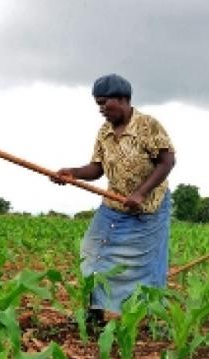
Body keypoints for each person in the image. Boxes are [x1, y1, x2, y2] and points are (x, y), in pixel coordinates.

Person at [53, 73, 176, 319]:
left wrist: (141, 193)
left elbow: (167, 161)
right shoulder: (103, 132)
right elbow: (97, 168)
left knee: (144, 265)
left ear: (122, 99)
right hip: (113, 206)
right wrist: (73, 173)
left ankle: (146, 315)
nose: (100, 109)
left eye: (104, 103)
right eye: (97, 104)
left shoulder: (147, 125)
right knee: (92, 252)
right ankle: (97, 309)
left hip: (148, 210)